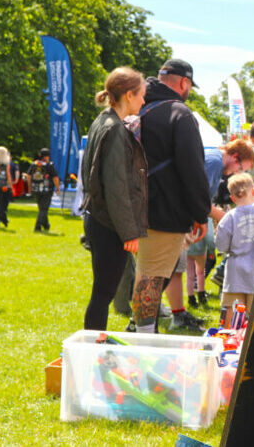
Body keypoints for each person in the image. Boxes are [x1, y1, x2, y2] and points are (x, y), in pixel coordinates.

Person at [135, 58, 254, 333]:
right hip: (164, 211)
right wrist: (201, 214)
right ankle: (143, 335)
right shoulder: (179, 113)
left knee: (147, 275)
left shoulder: (139, 106)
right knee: (152, 277)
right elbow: (192, 170)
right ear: (183, 82)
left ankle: (143, 329)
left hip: (137, 205)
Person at [80, 67, 148, 330]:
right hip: (108, 224)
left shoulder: (102, 121)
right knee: (103, 293)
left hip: (98, 219)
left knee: (102, 292)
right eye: (141, 95)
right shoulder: (115, 128)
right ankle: (91, 349)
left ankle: (93, 345)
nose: (143, 101)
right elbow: (116, 187)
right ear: (129, 95)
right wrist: (129, 232)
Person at [215, 173, 254, 327]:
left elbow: (221, 246)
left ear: (233, 198)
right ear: (253, 191)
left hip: (236, 275)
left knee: (232, 311)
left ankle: (229, 340)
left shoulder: (229, 218)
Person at [26, 148, 59, 232]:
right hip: (47, 190)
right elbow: (55, 178)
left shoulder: (34, 164)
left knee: (42, 208)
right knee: (44, 209)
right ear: (47, 156)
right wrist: (58, 188)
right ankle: (37, 227)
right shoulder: (49, 165)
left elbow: (28, 176)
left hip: (35, 189)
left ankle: (46, 225)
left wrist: (29, 188)